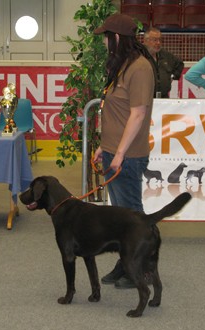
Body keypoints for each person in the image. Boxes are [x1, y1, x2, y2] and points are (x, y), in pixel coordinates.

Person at [92, 13, 155, 289]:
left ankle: (140, 269)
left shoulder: (140, 68)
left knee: (132, 215)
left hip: (127, 156)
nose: (105, 42)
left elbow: (138, 114)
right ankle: (126, 262)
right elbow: (116, 112)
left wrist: (118, 154)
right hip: (113, 152)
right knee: (121, 215)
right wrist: (103, 148)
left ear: (117, 38)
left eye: (107, 37)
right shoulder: (123, 66)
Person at [143, 27, 184, 98]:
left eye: (160, 40)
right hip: (144, 98)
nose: (158, 43)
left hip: (163, 97)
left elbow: (180, 64)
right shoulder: (139, 56)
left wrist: (173, 76)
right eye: (155, 40)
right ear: (145, 41)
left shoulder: (165, 55)